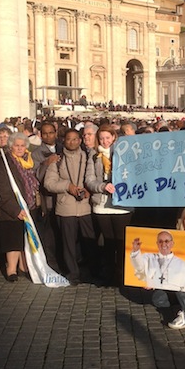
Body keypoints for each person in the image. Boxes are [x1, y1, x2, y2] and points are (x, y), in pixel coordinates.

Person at [44, 129, 96, 285]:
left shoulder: (88, 157)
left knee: (89, 242)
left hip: (85, 206)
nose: (72, 142)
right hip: (65, 207)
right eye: (69, 139)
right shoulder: (57, 160)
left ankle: (93, 270)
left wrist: (89, 190)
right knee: (68, 244)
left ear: (80, 141)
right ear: (64, 141)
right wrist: (67, 186)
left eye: (75, 139)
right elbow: (49, 183)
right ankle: (72, 273)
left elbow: (93, 178)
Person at [86, 124, 133, 286]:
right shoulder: (94, 155)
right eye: (102, 138)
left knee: (121, 241)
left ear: (114, 137)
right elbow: (89, 180)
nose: (105, 141)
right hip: (102, 204)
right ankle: (109, 274)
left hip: (122, 205)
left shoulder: (124, 152)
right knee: (107, 241)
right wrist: (102, 186)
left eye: (108, 138)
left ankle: (122, 274)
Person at [0, 132, 38, 281]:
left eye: (22, 146)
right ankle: (11, 269)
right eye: (16, 145)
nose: (19, 148)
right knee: (12, 239)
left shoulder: (28, 160)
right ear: (11, 146)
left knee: (24, 238)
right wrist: (14, 209)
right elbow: (2, 187)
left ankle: (23, 266)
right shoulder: (6, 161)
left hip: (28, 205)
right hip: (11, 207)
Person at [130, 231, 185, 328]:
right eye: (160, 241)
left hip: (181, 293)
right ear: (157, 244)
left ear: (172, 244)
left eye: (166, 241)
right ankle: (175, 305)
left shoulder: (183, 264)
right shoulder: (150, 257)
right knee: (158, 300)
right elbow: (139, 267)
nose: (163, 244)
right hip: (164, 290)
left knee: (182, 292)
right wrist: (135, 251)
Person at [32, 122, 63, 273]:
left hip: (64, 197)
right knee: (49, 232)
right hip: (48, 199)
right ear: (41, 135)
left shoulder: (62, 147)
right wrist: (45, 163)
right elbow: (36, 176)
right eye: (45, 133)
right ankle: (52, 262)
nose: (48, 136)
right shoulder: (36, 153)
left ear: (55, 133)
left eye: (51, 132)